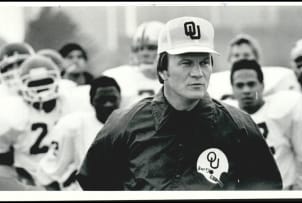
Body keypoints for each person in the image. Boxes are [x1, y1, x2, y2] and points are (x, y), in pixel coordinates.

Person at [78, 16, 282, 190]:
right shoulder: (124, 124)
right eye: (186, 62)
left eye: (204, 62)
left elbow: (265, 187)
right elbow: (95, 183)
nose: (198, 73)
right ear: (162, 70)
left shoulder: (239, 126)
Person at [230, 59, 302, 190]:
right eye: (240, 85)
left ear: (262, 86)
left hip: (283, 193)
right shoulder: (227, 118)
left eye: (251, 84)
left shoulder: (285, 109)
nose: (246, 90)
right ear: (232, 89)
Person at [0, 55, 76, 189]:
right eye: (34, 84)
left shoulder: (70, 101)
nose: (41, 88)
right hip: (28, 180)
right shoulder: (14, 110)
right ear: (23, 85)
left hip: (66, 177)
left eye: (45, 82)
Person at [36, 76, 121, 190]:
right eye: (102, 100)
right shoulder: (73, 127)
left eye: (112, 99)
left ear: (120, 98)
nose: (108, 104)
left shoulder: (132, 125)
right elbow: (47, 173)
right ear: (91, 101)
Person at [207, 34, 299, 105]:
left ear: (256, 57)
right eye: (236, 55)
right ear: (229, 59)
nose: (241, 59)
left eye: (246, 55)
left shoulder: (273, 80)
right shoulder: (215, 83)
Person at [103, 21, 165, 109]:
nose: (144, 53)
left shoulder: (177, 79)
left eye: (151, 48)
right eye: (138, 49)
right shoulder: (116, 76)